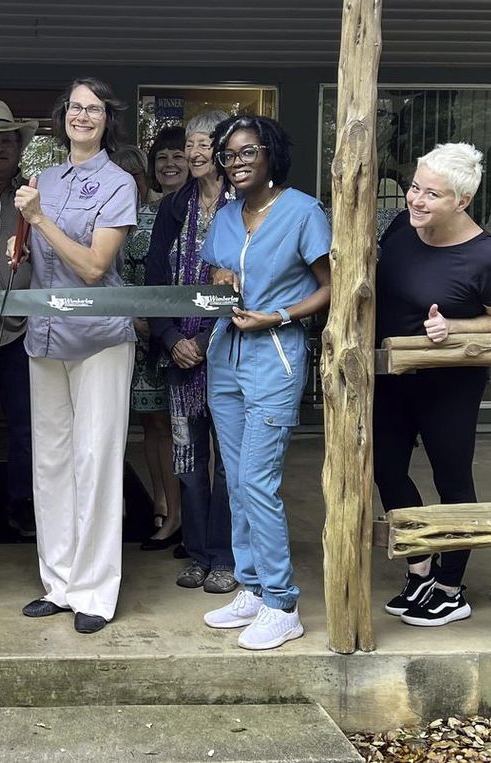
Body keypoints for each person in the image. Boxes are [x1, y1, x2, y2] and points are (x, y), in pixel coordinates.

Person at [200, 115, 331, 650]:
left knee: (258, 479)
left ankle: (282, 602)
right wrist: (221, 278)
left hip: (274, 356)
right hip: (224, 356)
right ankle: (251, 588)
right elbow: (214, 273)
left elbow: (331, 286)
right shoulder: (226, 215)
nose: (237, 162)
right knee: (234, 479)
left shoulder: (303, 210)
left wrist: (278, 316)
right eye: (228, 155)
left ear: (270, 153)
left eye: (247, 151)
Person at [374, 143, 491, 628]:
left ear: (461, 201)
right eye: (415, 187)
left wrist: (454, 327)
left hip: (449, 384)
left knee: (451, 479)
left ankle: (451, 588)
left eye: (431, 194)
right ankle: (420, 571)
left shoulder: (487, 257)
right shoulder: (401, 227)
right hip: (390, 376)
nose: (415, 199)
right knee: (386, 469)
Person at [14, 76, 137, 635]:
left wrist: (39, 220)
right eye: (75, 108)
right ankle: (59, 583)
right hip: (43, 338)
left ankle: (95, 590)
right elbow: (35, 261)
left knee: (95, 460)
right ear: (62, 116)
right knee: (53, 463)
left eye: (94, 110)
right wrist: (18, 241)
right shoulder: (45, 177)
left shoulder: (118, 183)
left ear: (107, 120)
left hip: (98, 339)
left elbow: (92, 267)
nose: (83, 117)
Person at [144, 110, 236, 593]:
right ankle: (197, 553)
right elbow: (154, 281)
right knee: (189, 459)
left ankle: (225, 555)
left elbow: (250, 286)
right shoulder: (173, 207)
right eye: (192, 144)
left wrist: (202, 341)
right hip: (178, 356)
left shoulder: (243, 207)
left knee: (229, 463)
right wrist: (169, 338)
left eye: (207, 144)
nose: (197, 153)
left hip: (227, 353)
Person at [112, 144, 182, 551]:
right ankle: (155, 501)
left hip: (164, 332)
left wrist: (157, 323)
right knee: (143, 425)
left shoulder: (165, 214)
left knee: (167, 426)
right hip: (124, 330)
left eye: (134, 174)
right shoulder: (114, 218)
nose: (128, 182)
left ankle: (173, 508)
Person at [0, 99, 39, 539]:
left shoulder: (34, 197)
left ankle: (23, 503)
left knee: (25, 425)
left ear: (18, 148)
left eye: (7, 141)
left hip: (22, 326)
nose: (0, 148)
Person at [147, 125, 188, 198]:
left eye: (177, 156)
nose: (169, 163)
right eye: (162, 157)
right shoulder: (143, 210)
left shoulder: (207, 209)